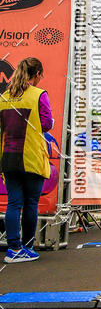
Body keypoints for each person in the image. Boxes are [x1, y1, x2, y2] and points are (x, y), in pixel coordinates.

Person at [0, 57, 53, 263]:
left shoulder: (4, 96)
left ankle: (13, 249)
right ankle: (27, 246)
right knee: (31, 203)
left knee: (13, 202)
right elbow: (47, 124)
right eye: (41, 74)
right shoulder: (39, 95)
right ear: (37, 74)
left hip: (8, 156)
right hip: (31, 155)